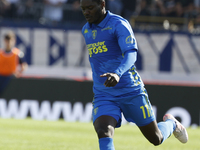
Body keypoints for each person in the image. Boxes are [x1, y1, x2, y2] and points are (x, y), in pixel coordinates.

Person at [80, 0, 188, 149]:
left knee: (156, 138)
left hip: (130, 90)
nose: (86, 12)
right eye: (83, 9)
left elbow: (131, 54)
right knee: (103, 131)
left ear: (102, 5)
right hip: (104, 93)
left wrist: (117, 74)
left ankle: (172, 124)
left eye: (90, 8)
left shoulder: (118, 24)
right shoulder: (86, 29)